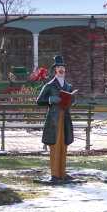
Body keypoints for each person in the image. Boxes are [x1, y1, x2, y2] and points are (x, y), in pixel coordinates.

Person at [36, 55, 75, 183]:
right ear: (55, 70)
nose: (61, 69)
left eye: (62, 67)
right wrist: (50, 100)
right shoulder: (50, 85)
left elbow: (71, 100)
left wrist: (72, 100)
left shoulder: (68, 86)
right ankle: (54, 174)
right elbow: (39, 101)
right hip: (54, 119)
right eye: (58, 67)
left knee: (64, 146)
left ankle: (62, 173)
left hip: (65, 119)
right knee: (55, 146)